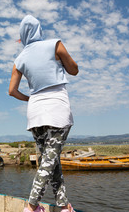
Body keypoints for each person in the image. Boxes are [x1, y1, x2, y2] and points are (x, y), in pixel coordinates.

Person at [8, 15, 78, 212]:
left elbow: (12, 91)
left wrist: (30, 98)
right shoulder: (54, 44)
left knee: (51, 161)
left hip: (35, 114)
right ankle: (31, 206)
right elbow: (74, 70)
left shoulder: (20, 58)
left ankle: (64, 206)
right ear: (39, 29)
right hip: (57, 110)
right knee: (48, 162)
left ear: (22, 35)